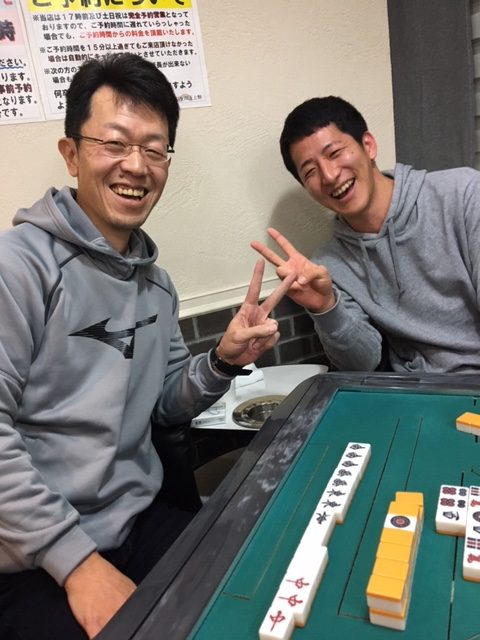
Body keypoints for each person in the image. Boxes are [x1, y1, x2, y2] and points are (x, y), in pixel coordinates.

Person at [0, 53, 294, 640]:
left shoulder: (155, 285)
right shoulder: (19, 267)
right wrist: (78, 565)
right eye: (114, 143)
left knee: (263, 591)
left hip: (138, 521)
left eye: (154, 149)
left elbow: (165, 406)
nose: (136, 165)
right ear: (71, 154)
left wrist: (223, 360)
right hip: (33, 556)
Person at [252, 95, 480, 373]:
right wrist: (326, 307)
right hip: (413, 390)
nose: (329, 176)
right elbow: (362, 364)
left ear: (368, 145)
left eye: (335, 153)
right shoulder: (330, 264)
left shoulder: (463, 194)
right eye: (310, 171)